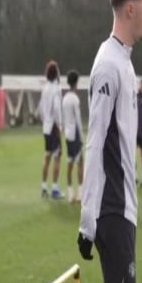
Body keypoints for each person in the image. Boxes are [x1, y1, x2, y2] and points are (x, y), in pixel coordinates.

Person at [54, 0, 142, 283]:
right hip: (111, 210)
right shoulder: (108, 65)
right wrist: (87, 220)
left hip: (122, 208)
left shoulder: (123, 63)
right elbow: (94, 143)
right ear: (129, 8)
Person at [39, 60, 63, 199]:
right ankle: (54, 188)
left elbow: (41, 108)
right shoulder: (56, 89)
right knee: (57, 157)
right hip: (53, 126)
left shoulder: (45, 88)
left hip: (46, 127)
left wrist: (45, 122)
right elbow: (56, 108)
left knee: (47, 156)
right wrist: (59, 125)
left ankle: (43, 186)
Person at [62, 70, 84, 203]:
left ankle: (70, 193)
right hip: (75, 133)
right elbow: (78, 119)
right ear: (76, 83)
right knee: (80, 162)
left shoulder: (64, 98)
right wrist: (81, 136)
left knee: (70, 162)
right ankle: (80, 194)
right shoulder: (75, 99)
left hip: (67, 134)